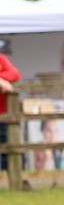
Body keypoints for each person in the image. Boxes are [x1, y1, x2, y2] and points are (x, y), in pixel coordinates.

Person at [0, 41, 19, 173]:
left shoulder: (1, 59)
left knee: (10, 148)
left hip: (4, 114)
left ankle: (13, 181)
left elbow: (15, 74)